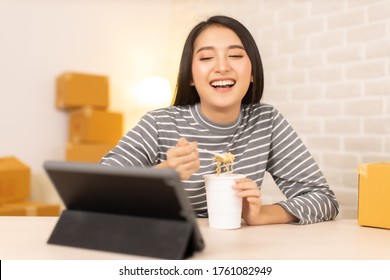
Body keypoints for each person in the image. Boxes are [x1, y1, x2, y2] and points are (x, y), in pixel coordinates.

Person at [100, 15, 339, 225]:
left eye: (235, 55)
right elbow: (99, 190)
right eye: (206, 58)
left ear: (253, 71)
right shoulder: (159, 124)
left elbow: (324, 199)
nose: (222, 67)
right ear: (191, 76)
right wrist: (161, 176)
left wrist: (262, 215)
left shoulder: (266, 122)